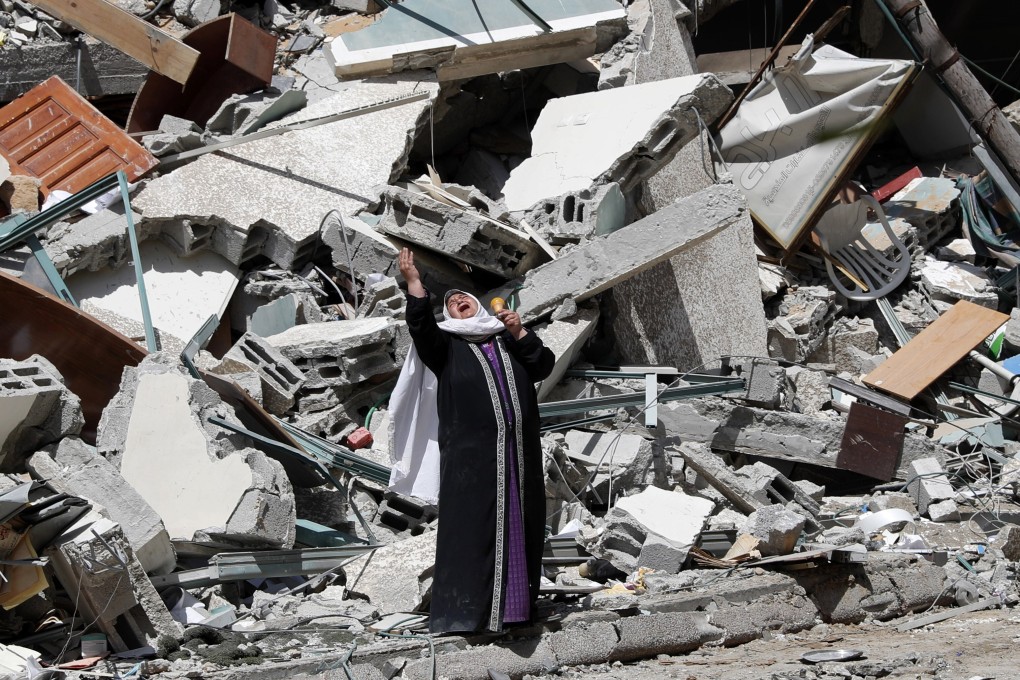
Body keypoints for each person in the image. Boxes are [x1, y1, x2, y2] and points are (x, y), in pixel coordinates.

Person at [388, 247, 555, 635]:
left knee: (519, 524)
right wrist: (414, 282)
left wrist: (518, 330)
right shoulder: (446, 346)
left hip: (518, 455)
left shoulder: (505, 338)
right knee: (474, 531)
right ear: (448, 315)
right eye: (451, 302)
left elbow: (542, 366)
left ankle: (515, 611)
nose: (459, 300)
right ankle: (468, 615)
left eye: (464, 297)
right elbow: (420, 328)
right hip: (472, 461)